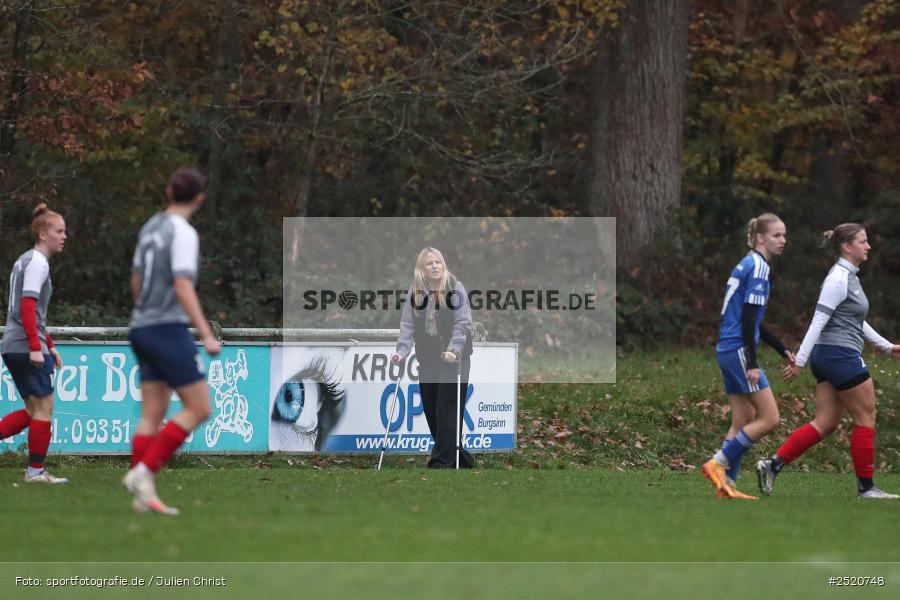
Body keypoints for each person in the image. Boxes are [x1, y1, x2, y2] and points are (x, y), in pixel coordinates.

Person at [756, 223, 899, 499]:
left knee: (825, 423)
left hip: (830, 356)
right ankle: (866, 489)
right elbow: (818, 320)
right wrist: (799, 360)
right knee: (866, 416)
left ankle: (771, 465)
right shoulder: (838, 279)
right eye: (862, 241)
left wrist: (887, 346)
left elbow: (856, 320)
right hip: (839, 355)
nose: (868, 246)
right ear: (847, 247)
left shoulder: (851, 277)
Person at [122, 167, 221, 515]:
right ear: (199, 198)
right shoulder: (184, 232)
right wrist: (206, 333)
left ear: (168, 191)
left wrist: (144, 312)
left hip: (141, 327)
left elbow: (136, 279)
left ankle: (142, 496)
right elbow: (182, 285)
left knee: (152, 412)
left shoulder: (150, 227)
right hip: (166, 328)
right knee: (200, 408)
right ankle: (143, 472)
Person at [701, 213, 794, 500]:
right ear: (759, 238)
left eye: (784, 235)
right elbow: (748, 318)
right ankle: (718, 462)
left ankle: (725, 487)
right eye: (777, 235)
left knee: (743, 418)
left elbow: (751, 318)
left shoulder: (747, 263)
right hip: (739, 350)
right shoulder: (759, 267)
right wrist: (752, 362)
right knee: (770, 418)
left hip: (727, 349)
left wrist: (781, 348)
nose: (783, 240)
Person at [0, 204, 68, 483]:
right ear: (42, 233)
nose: (64, 236)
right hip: (24, 345)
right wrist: (36, 346)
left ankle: (35, 471)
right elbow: (26, 308)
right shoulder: (38, 262)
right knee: (44, 408)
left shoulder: (27, 260)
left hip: (16, 343)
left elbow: (32, 311)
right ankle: (35, 472)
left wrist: (48, 343)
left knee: (33, 410)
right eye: (59, 231)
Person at [391, 247, 474, 468]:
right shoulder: (415, 292)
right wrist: (401, 353)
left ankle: (440, 462)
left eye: (438, 262)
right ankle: (460, 458)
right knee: (430, 407)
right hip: (428, 358)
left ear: (443, 264)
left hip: (454, 358)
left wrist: (454, 349)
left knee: (447, 407)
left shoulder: (455, 287)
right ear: (422, 269)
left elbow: (463, 323)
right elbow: (407, 326)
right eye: (430, 263)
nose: (435, 266)